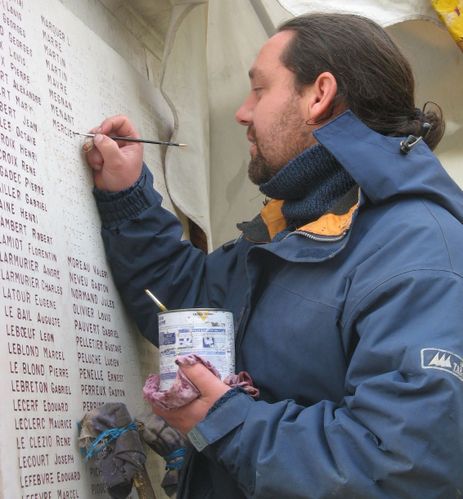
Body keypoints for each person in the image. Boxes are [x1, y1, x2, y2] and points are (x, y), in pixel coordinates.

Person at [85, 13, 463, 499]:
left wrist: (224, 421)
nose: (243, 112)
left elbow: (402, 466)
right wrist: (128, 196)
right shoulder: (300, 223)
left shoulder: (420, 250)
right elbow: (185, 301)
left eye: (260, 90)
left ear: (319, 95)